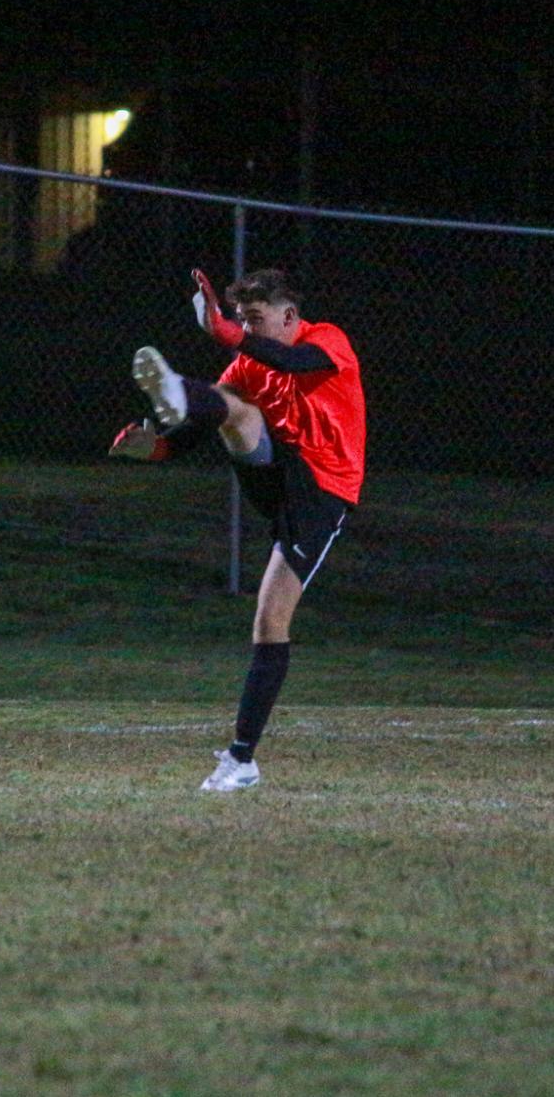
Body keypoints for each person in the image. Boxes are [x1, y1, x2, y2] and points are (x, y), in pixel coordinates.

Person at [110, 267, 366, 792]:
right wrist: (156, 446)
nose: (248, 329)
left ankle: (242, 759)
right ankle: (177, 390)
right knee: (236, 411)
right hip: (275, 478)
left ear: (289, 315)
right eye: (242, 319)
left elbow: (294, 361)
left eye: (256, 319)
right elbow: (201, 424)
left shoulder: (326, 339)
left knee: (270, 622)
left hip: (322, 492)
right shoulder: (251, 362)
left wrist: (229, 333)